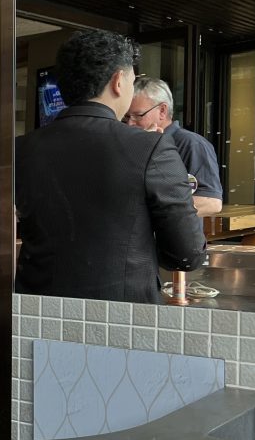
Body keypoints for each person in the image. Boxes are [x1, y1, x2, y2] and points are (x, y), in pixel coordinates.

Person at [15, 30, 207, 304]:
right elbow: (187, 253)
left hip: (36, 308)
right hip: (119, 317)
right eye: (132, 80)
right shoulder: (151, 147)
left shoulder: (20, 149)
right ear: (118, 81)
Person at [125, 76, 223, 217]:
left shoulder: (192, 144)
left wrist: (151, 214)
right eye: (126, 117)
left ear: (162, 111)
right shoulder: (132, 143)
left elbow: (211, 202)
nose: (130, 124)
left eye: (138, 115)